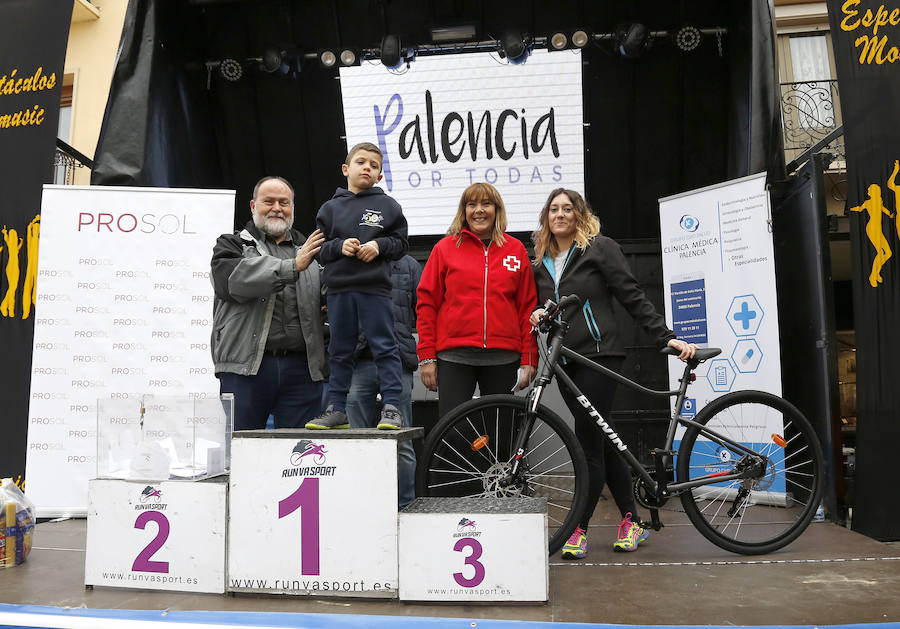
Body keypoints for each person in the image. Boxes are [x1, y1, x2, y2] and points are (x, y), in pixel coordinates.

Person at [529, 188, 697, 559]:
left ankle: (579, 528)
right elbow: (546, 305)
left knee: (588, 441)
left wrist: (666, 338)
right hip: (566, 360)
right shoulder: (540, 260)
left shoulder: (599, 248)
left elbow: (631, 294)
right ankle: (630, 520)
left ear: (579, 214)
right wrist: (539, 313)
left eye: (568, 209)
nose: (560, 214)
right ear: (546, 217)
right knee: (602, 440)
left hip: (601, 357)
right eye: (554, 209)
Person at [211, 176, 327, 430]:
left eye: (284, 202)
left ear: (293, 208)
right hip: (246, 370)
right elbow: (231, 282)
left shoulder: (313, 251)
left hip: (302, 371)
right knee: (242, 451)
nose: (277, 207)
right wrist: (291, 267)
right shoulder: (231, 245)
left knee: (297, 455)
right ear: (253, 206)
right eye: (269, 201)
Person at [306, 142, 409, 430]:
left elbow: (401, 244)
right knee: (339, 350)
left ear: (379, 176)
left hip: (374, 290)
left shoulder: (389, 206)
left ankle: (391, 407)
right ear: (345, 169)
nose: (367, 168)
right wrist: (340, 246)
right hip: (339, 291)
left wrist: (377, 245)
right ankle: (336, 408)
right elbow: (319, 249)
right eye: (361, 162)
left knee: (385, 347)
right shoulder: (329, 209)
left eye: (374, 166)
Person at [416, 182, 537, 419]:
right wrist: (427, 357)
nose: (479, 210)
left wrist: (529, 358)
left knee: (501, 435)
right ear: (464, 211)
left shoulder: (516, 250)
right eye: (471, 204)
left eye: (486, 203)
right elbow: (427, 304)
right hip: (454, 357)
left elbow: (527, 308)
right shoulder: (445, 248)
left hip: (504, 358)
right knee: (452, 435)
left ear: (497, 210)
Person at [346, 254, 421, 508]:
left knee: (402, 441)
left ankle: (405, 507)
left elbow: (420, 311)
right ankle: (362, 505)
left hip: (397, 362)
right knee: (357, 440)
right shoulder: (351, 258)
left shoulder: (409, 265)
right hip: (359, 361)